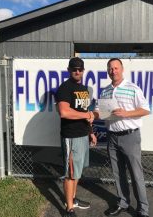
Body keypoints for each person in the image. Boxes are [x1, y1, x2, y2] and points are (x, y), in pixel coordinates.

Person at [100, 58, 150, 217]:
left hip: (130, 137)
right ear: (107, 71)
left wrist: (126, 113)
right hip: (112, 137)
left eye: (116, 68)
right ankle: (123, 202)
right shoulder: (105, 91)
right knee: (118, 173)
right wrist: (92, 115)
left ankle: (143, 209)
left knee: (136, 174)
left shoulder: (132, 88)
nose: (113, 71)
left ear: (121, 69)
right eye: (110, 68)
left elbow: (146, 110)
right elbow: (103, 114)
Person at [56, 57, 97, 217]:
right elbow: (64, 112)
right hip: (71, 136)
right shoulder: (65, 88)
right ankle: (69, 209)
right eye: (74, 69)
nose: (77, 71)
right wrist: (86, 114)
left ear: (83, 71)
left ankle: (72, 199)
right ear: (69, 70)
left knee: (77, 172)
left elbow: (86, 114)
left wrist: (91, 132)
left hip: (82, 135)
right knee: (70, 173)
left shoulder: (84, 89)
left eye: (80, 69)